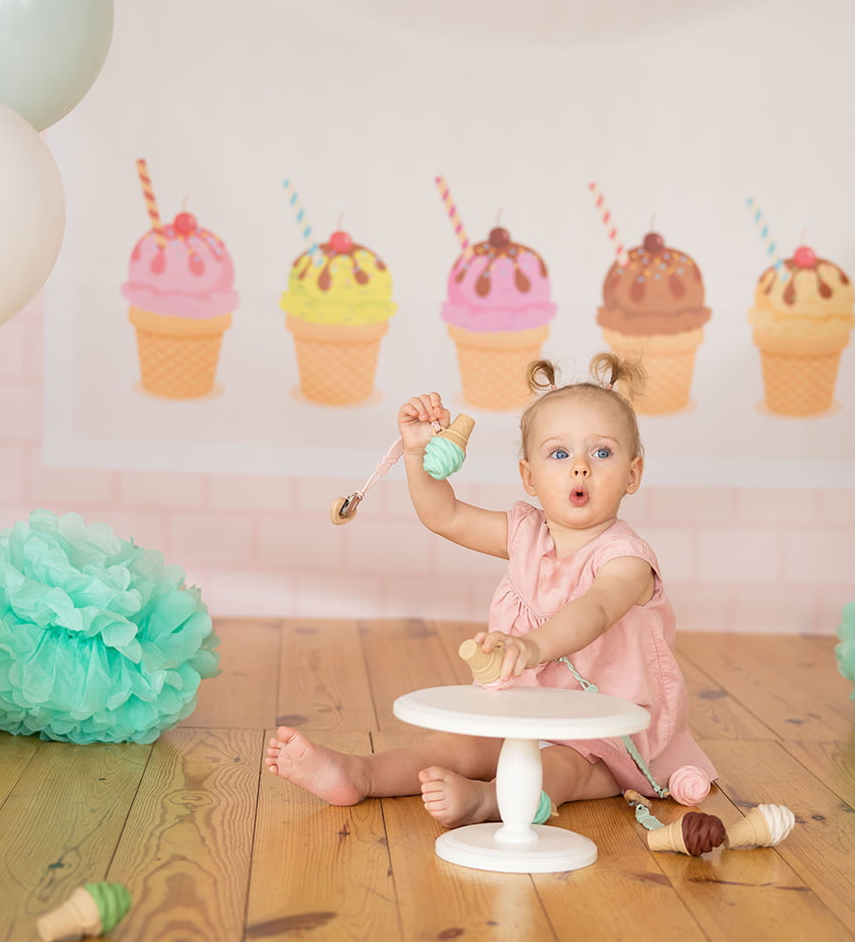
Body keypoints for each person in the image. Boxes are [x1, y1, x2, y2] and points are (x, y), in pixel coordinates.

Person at [266, 353, 718, 826]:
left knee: (562, 767)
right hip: (523, 706)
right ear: (529, 477)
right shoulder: (525, 533)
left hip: (603, 728)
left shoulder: (627, 559)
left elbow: (596, 610)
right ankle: (359, 774)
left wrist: (532, 646)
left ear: (633, 473)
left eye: (602, 453)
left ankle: (489, 801)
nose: (580, 467)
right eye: (559, 454)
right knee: (453, 748)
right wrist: (417, 455)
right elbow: (445, 516)